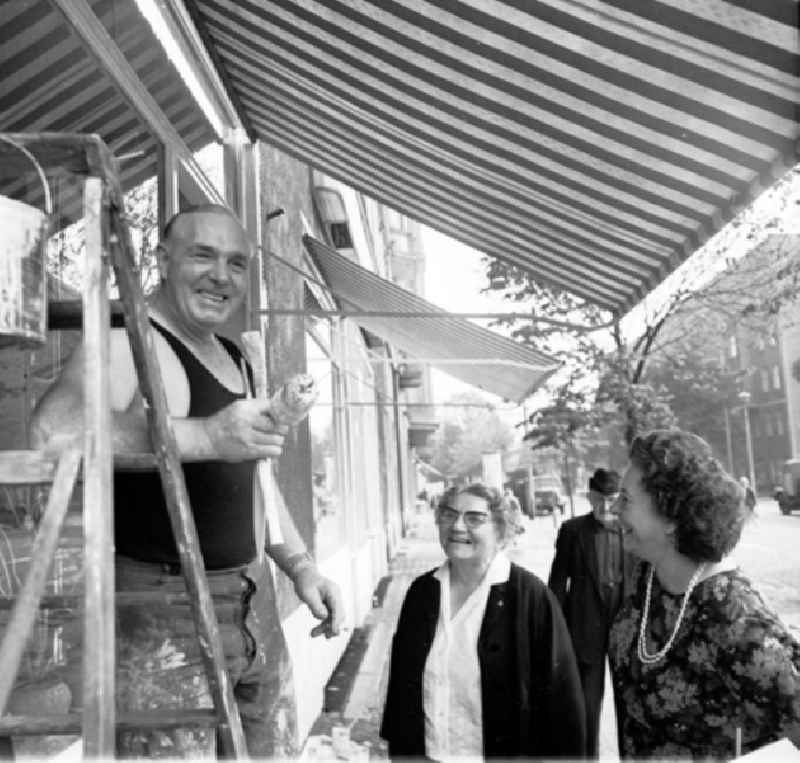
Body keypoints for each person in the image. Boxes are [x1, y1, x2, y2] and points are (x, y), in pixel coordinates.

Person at [30, 204, 344, 757]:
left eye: (237, 263)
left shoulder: (236, 356)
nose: (221, 276)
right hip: (161, 614)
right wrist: (204, 436)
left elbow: (254, 481)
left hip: (253, 602)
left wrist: (299, 565)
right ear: (162, 258)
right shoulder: (131, 339)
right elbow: (53, 435)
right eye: (202, 254)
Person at [609, 429, 800, 758]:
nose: (614, 508)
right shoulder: (646, 576)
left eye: (625, 500)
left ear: (670, 517)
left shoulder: (736, 619)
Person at [380, 483, 586, 759]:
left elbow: (564, 704)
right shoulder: (422, 592)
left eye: (474, 519)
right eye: (449, 515)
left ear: (501, 531)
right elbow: (400, 693)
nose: (458, 526)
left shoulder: (531, 598)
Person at [548, 467, 636, 758]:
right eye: (599, 499)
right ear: (589, 497)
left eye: (612, 499)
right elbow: (558, 581)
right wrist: (555, 628)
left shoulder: (633, 529)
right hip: (584, 628)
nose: (606, 506)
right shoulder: (572, 531)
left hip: (626, 632)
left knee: (630, 706)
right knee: (586, 707)